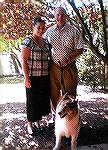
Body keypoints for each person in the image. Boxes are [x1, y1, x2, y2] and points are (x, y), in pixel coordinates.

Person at [44, 7, 83, 110]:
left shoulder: (74, 30)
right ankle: (56, 117)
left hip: (69, 67)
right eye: (58, 15)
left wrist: (68, 58)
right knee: (54, 94)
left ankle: (71, 119)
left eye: (62, 15)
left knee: (70, 94)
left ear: (66, 16)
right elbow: (43, 47)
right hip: (54, 67)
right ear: (54, 16)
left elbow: (80, 49)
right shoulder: (49, 32)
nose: (60, 17)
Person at [21, 17, 51, 135]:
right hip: (32, 77)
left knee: (41, 101)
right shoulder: (28, 41)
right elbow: (23, 60)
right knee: (32, 101)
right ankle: (30, 124)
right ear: (33, 27)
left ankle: (38, 122)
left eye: (43, 28)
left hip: (44, 76)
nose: (41, 30)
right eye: (38, 28)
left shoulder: (46, 43)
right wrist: (26, 78)